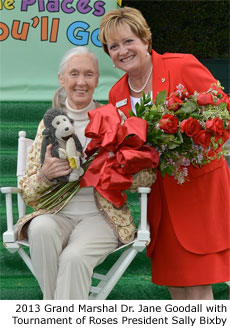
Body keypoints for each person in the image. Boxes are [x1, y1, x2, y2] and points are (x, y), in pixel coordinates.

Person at [99, 6, 230, 300]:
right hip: (159, 202)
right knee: (176, 287)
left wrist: (194, 146)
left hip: (200, 195)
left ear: (145, 40)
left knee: (198, 287)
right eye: (114, 46)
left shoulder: (181, 65)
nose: (122, 50)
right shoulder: (116, 95)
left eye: (128, 41)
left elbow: (223, 113)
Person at [17, 46, 154, 300]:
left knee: (74, 258)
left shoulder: (115, 119)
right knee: (40, 229)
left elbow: (147, 176)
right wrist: (45, 175)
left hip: (102, 219)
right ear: (62, 79)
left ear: (97, 79)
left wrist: (118, 168)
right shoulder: (47, 126)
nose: (81, 82)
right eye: (74, 74)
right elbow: (28, 193)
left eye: (89, 74)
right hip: (56, 214)